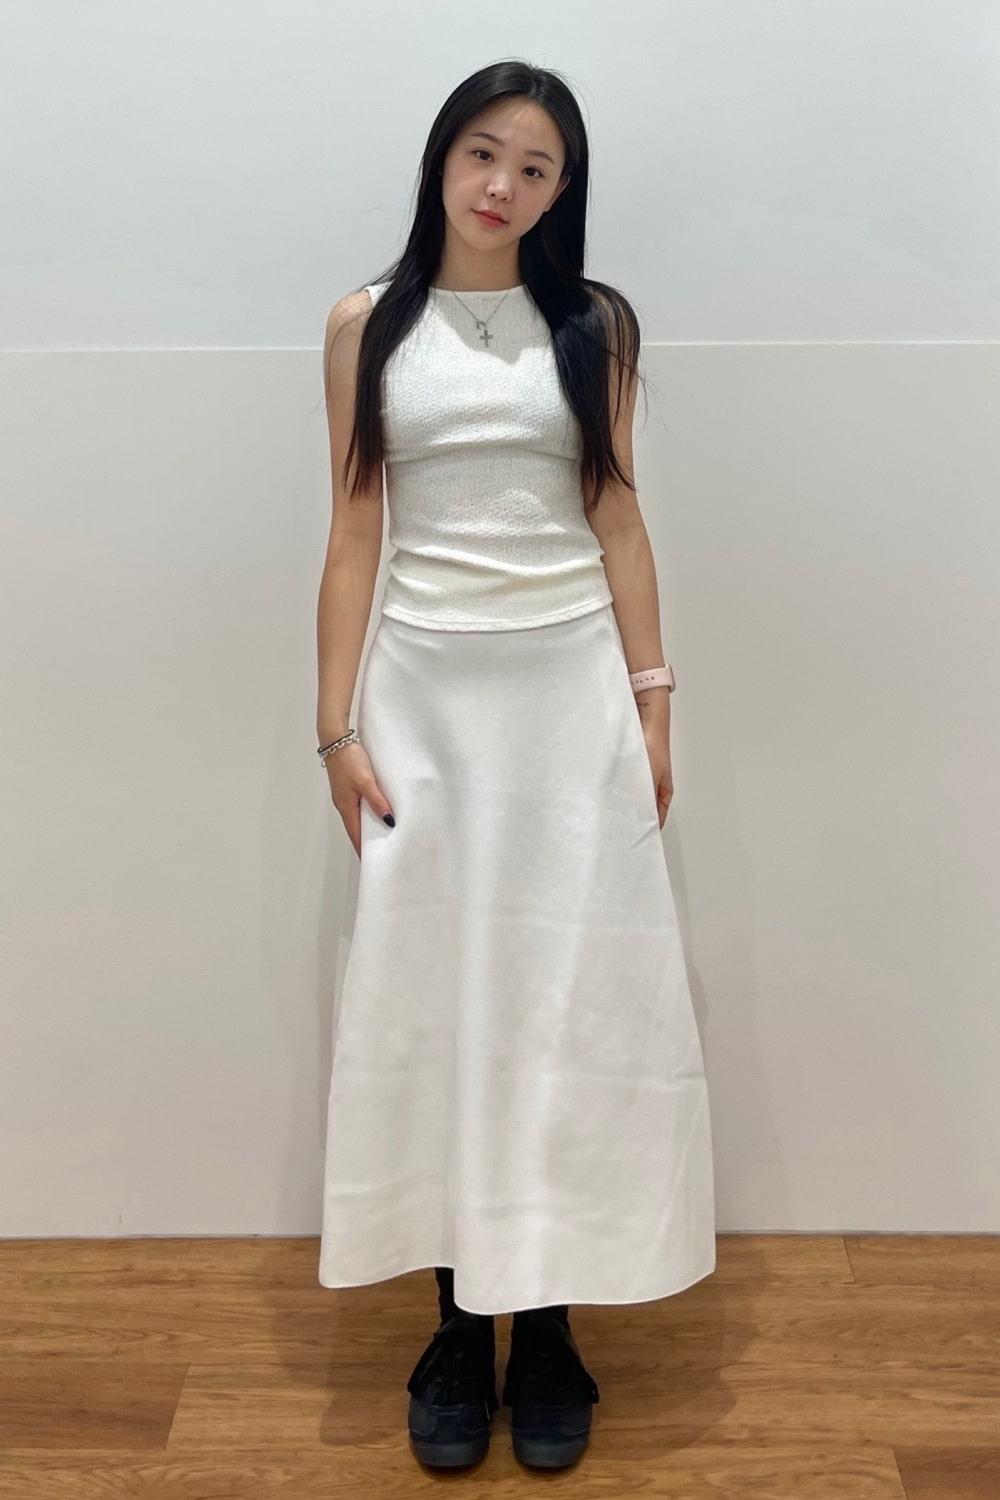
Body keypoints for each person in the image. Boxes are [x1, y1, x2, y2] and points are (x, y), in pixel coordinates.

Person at [315, 60, 716, 1471]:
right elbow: (353, 533)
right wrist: (335, 727)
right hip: (425, 703)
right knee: (440, 999)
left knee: (563, 999)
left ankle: (544, 1325)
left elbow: (619, 520)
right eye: (483, 153)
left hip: (568, 698)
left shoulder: (592, 325)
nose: (502, 185)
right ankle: (453, 1324)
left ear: (562, 192)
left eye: (535, 167)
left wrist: (653, 702)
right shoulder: (366, 325)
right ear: (442, 159)